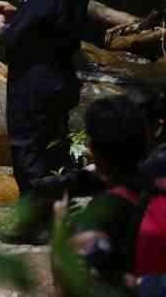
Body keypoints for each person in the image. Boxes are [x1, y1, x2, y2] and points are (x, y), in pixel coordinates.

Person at [0, 0, 90, 245]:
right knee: (54, 145)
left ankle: (32, 223)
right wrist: (19, 12)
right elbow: (51, 25)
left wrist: (0, 25)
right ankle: (61, 212)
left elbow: (14, 40)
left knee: (26, 150)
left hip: (34, 83)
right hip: (63, 79)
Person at [52, 96, 150, 296]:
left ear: (94, 149)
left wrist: (59, 222)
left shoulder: (104, 211)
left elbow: (65, 286)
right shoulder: (155, 186)